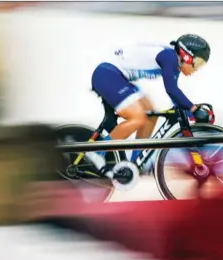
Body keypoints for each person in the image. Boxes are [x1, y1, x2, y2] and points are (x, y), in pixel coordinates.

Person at [89, 34, 211, 175]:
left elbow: (175, 96)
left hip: (116, 76)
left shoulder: (174, 59)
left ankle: (136, 162)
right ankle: (96, 153)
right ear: (187, 56)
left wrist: (191, 111)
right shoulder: (169, 58)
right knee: (138, 118)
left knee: (150, 113)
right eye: (198, 63)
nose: (196, 69)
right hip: (107, 74)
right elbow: (172, 91)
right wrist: (194, 109)